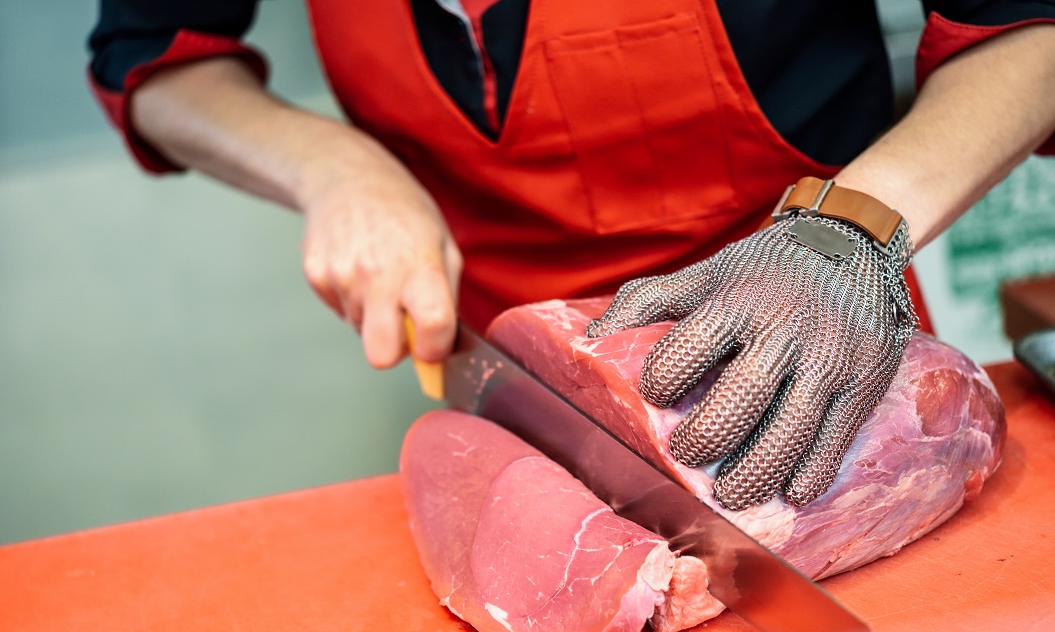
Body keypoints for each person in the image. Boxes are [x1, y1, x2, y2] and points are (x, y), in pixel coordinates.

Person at [87, 1, 1055, 508]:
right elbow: (155, 56)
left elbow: (1028, 27)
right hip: (516, 386)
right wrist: (334, 168)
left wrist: (844, 233)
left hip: (810, 347)